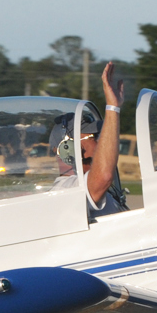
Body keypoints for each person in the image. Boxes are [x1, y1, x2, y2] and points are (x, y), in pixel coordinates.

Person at [51, 61, 129, 216]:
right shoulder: (66, 190)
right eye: (94, 137)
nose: (101, 141)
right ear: (68, 148)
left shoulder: (90, 187)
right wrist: (113, 108)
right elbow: (104, 176)